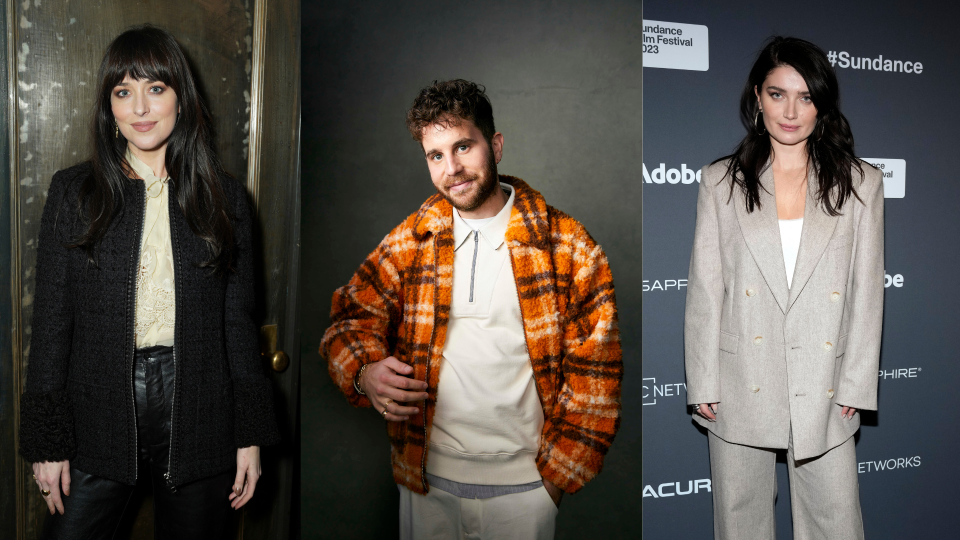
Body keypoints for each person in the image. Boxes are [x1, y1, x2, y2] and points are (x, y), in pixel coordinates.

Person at [321, 79, 623, 540]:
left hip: (525, 491)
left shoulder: (569, 247)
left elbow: (596, 375)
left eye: (463, 146)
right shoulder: (412, 240)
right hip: (425, 486)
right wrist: (365, 372)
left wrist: (554, 484)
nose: (452, 169)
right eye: (435, 155)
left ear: (495, 145)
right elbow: (347, 320)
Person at [18, 25, 280, 539]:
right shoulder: (74, 192)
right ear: (109, 108)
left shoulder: (224, 198)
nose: (140, 107)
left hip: (200, 410)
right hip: (97, 410)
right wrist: (48, 441)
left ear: (181, 100)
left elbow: (237, 322)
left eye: (155, 89)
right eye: (123, 92)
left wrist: (249, 434)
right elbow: (51, 321)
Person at [684, 36, 883, 540]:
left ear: (822, 103)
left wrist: (858, 383)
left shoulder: (861, 183)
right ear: (757, 97)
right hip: (740, 375)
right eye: (778, 94)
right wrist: (703, 378)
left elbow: (866, 292)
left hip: (826, 378)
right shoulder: (720, 182)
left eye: (806, 97)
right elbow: (706, 289)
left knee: (835, 521)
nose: (791, 111)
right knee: (740, 521)